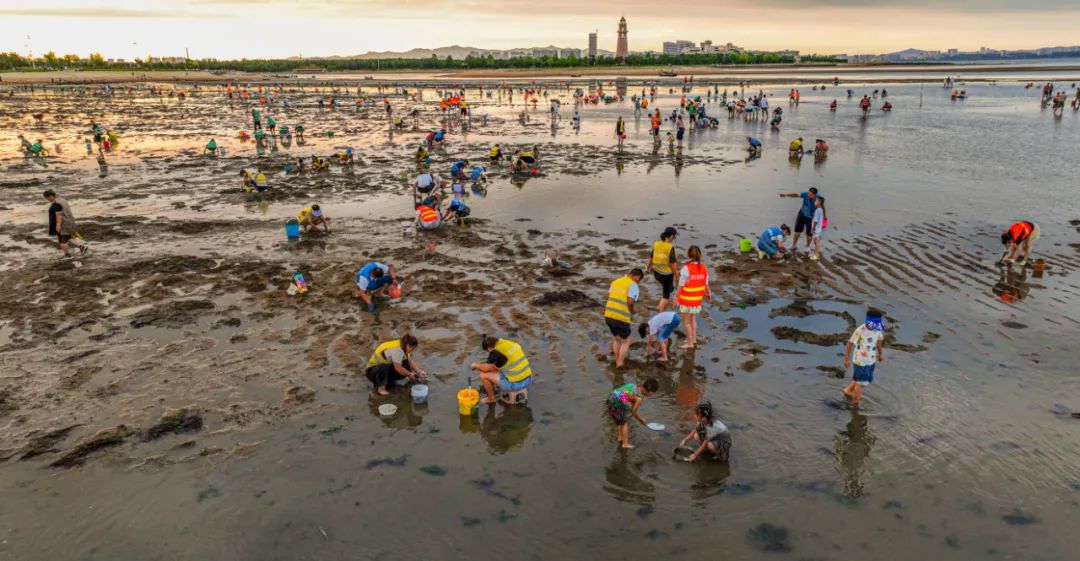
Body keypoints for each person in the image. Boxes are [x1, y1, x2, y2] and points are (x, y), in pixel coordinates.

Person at [470, 335, 533, 405]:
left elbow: (486, 369)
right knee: (496, 368)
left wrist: (475, 365)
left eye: (487, 351)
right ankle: (498, 387)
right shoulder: (508, 343)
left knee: (483, 375)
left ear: (489, 348)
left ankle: (491, 398)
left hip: (514, 384)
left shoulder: (495, 352)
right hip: (528, 378)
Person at [843, 309, 886, 407]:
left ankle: (848, 391)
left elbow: (879, 342)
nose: (874, 325)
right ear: (867, 321)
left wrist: (881, 354)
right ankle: (855, 405)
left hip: (871, 360)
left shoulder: (878, 329)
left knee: (861, 379)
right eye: (873, 323)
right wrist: (846, 359)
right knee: (861, 383)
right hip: (860, 360)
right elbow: (850, 344)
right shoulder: (860, 330)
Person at [604, 268, 644, 368]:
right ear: (637, 277)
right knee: (626, 340)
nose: (638, 282)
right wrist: (632, 310)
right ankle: (620, 363)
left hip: (609, 314)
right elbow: (630, 302)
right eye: (639, 280)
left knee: (617, 339)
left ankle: (617, 360)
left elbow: (609, 296)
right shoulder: (633, 285)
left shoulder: (616, 281)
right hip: (620, 316)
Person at [605, 378, 659, 449]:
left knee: (619, 420)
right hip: (617, 403)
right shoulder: (639, 398)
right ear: (651, 393)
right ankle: (625, 444)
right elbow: (634, 412)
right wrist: (640, 419)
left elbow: (623, 392)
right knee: (624, 423)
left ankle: (620, 437)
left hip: (610, 399)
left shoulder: (632, 385)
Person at [675, 246, 711, 349]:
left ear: (689, 255)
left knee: (686, 322)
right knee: (693, 319)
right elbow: (706, 284)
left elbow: (681, 285)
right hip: (697, 300)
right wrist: (709, 294)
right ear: (700, 255)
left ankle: (689, 343)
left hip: (686, 300)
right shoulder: (704, 268)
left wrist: (676, 297)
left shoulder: (686, 268)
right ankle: (693, 339)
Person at [43, 190, 88, 257]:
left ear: (51, 196)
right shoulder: (62, 200)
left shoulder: (56, 203)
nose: (47, 199)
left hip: (63, 224)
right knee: (68, 237)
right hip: (69, 222)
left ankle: (67, 255)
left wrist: (58, 225)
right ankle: (81, 245)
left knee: (62, 241)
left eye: (47, 198)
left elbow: (59, 215)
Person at [644, 226, 678, 311]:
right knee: (666, 296)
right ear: (671, 236)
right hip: (666, 275)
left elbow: (651, 257)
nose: (674, 238)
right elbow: (672, 263)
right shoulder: (669, 247)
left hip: (656, 273)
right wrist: (677, 275)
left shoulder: (656, 244)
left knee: (669, 288)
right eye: (674, 237)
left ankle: (669, 291)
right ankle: (660, 309)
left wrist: (647, 267)